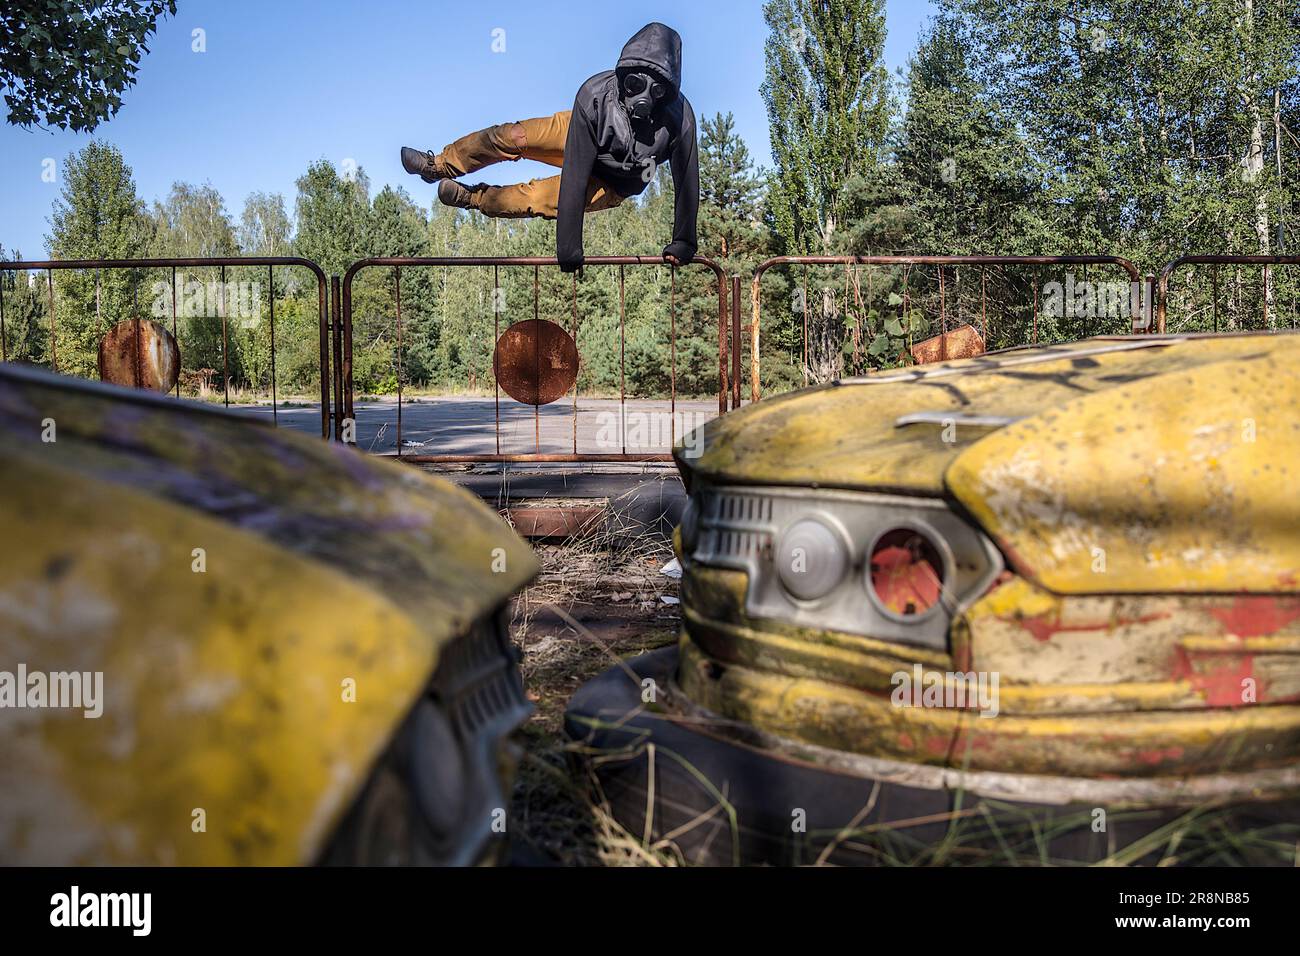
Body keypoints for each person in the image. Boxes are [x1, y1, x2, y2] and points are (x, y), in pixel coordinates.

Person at [400, 22, 698, 274]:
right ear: (622, 75)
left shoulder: (680, 118)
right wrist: (569, 243)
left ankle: (474, 198)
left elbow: (686, 181)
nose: (644, 96)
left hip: (615, 182)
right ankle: (439, 165)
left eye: (656, 90)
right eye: (635, 83)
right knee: (514, 136)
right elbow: (575, 173)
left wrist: (683, 241)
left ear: (667, 91)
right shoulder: (594, 95)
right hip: (583, 135)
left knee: (538, 196)